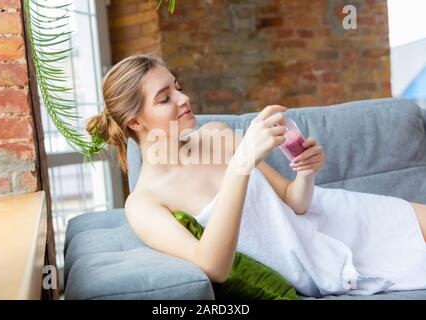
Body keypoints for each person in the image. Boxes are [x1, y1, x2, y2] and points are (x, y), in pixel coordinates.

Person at [86, 53, 426, 297]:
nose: (184, 98)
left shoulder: (217, 134)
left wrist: (306, 172)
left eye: (177, 87)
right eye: (165, 98)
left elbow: (296, 203)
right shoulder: (144, 204)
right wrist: (241, 164)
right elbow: (213, 267)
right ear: (135, 121)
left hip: (342, 215)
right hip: (317, 258)